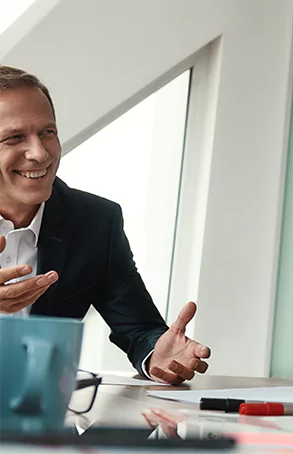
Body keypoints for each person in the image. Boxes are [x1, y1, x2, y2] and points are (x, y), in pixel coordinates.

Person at [0, 65, 209, 385]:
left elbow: (139, 327)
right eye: (15, 137)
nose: (39, 153)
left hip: (38, 417)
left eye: (47, 133)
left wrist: (157, 354)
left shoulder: (94, 222)